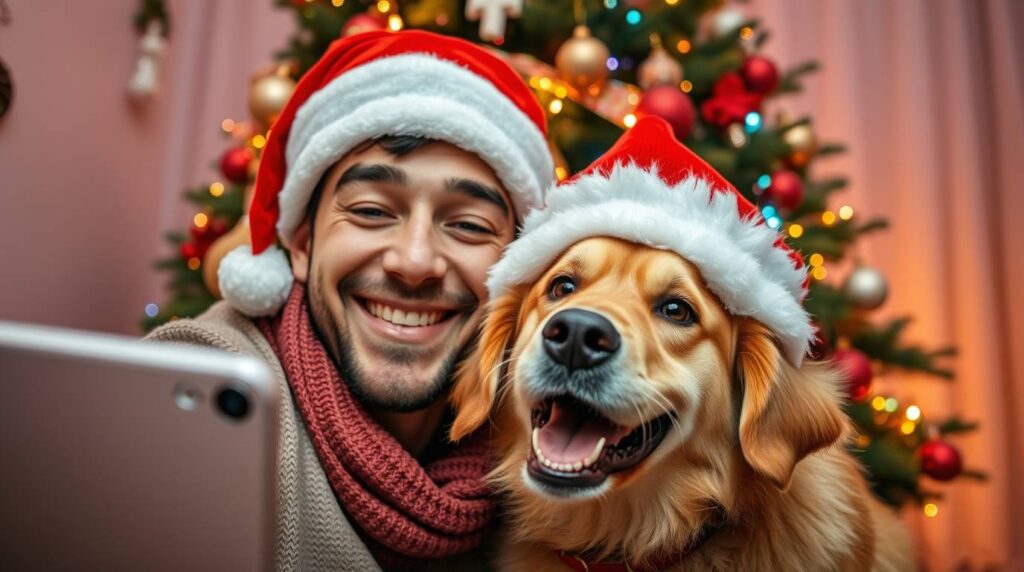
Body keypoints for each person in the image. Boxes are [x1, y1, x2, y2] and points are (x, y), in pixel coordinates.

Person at [147, 30, 553, 571]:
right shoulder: (196, 392)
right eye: (370, 211)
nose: (413, 261)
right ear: (303, 244)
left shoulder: (550, 450)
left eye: (469, 225)